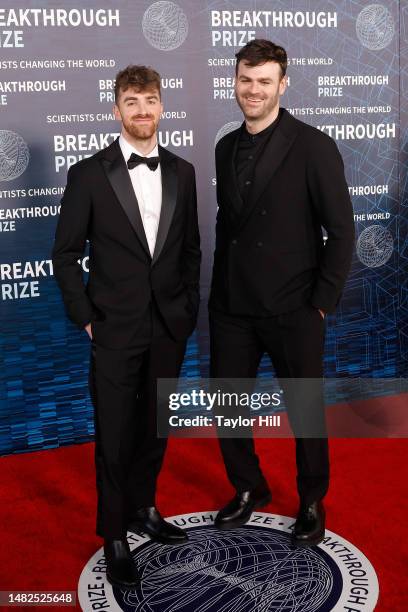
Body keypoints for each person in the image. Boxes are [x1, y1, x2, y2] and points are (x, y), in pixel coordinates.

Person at [52, 65, 201, 587]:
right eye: (132, 101)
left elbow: (189, 251)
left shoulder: (183, 172)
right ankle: (113, 532)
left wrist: (185, 313)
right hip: (114, 329)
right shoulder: (89, 174)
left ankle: (144, 508)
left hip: (169, 327)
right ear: (117, 109)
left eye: (151, 100)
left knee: (153, 430)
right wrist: (87, 319)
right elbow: (66, 254)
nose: (142, 110)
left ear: (163, 107)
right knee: (114, 434)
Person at [209, 39, 354, 546]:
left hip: (293, 305)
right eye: (246, 80)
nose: (254, 90)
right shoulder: (225, 146)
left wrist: (320, 303)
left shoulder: (314, 145)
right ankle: (249, 489)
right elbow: (231, 227)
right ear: (235, 81)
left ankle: (312, 498)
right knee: (227, 405)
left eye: (264, 81)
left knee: (305, 410)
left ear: (283, 84)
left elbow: (341, 232)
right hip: (231, 306)